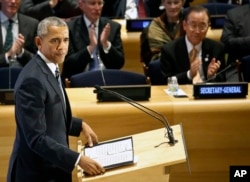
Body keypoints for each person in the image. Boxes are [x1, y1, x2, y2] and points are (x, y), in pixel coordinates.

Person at [7, 16, 105, 182]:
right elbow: (36, 138)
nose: (62, 47)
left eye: (65, 40)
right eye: (55, 41)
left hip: (51, 170)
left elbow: (51, 113)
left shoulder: (50, 68)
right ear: (39, 42)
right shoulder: (32, 80)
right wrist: (77, 159)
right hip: (35, 174)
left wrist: (79, 125)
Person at [160, 5, 226, 84]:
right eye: (193, 25)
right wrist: (189, 74)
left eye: (202, 26)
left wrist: (211, 76)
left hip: (206, 94)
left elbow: (223, 80)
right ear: (184, 25)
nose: (197, 31)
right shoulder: (169, 50)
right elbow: (166, 81)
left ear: (208, 26)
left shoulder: (217, 48)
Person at [61, 0, 125, 81]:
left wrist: (106, 45)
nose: (97, 8)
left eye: (100, 3)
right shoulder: (69, 28)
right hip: (80, 80)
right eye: (92, 3)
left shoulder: (112, 27)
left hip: (107, 79)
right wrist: (90, 48)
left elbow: (119, 63)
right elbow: (69, 64)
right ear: (81, 5)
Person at [140, 0, 185, 65]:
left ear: (182, 3)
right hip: (162, 68)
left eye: (176, 2)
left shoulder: (191, 24)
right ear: (163, 3)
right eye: (169, 3)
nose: (172, 6)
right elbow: (151, 61)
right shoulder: (154, 27)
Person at [0, 0, 38, 68]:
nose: (13, 1)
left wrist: (21, 52)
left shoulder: (32, 24)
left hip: (23, 75)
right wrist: (8, 55)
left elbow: (38, 60)